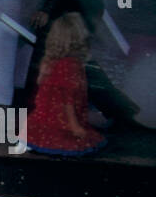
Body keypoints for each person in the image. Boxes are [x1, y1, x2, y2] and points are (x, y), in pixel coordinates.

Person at [26, 13, 105, 155]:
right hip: (62, 122)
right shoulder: (70, 65)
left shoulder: (50, 61)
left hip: (44, 119)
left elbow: (41, 86)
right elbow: (67, 100)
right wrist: (74, 126)